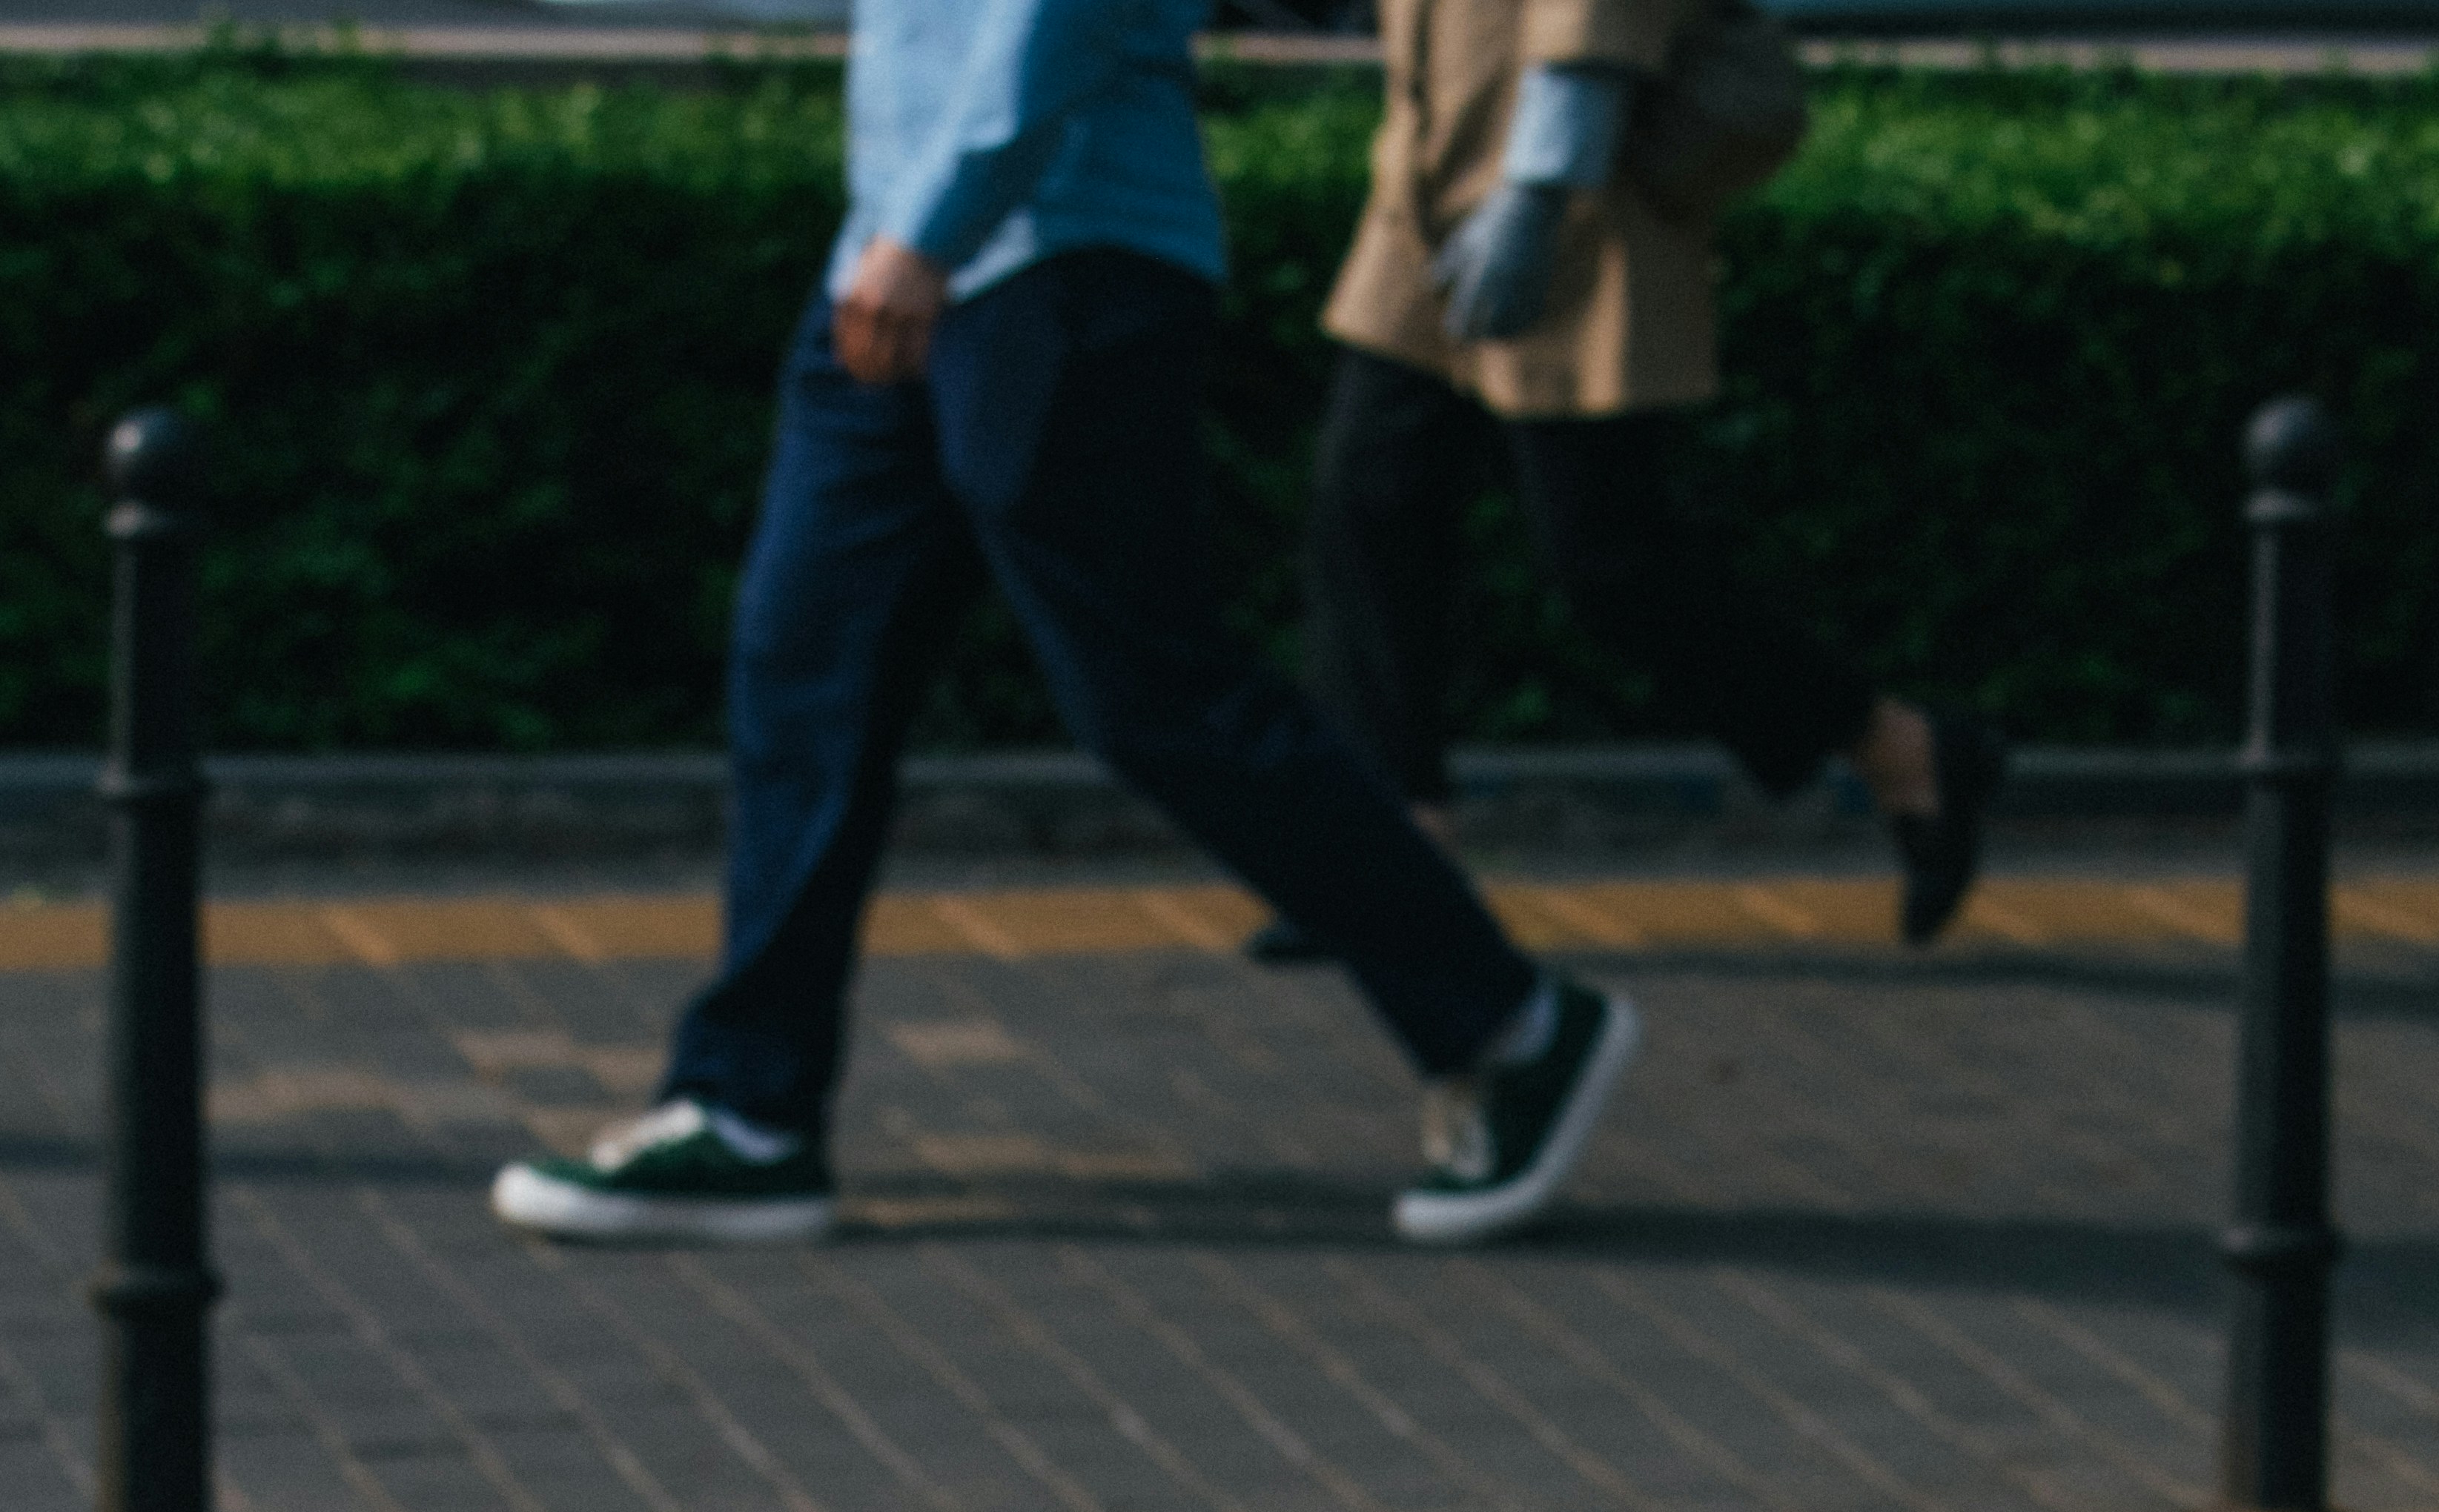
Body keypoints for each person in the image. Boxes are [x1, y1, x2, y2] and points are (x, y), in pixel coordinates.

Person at [489, 0, 1636, 1258]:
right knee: (803, 665)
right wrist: (903, 233)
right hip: (894, 259)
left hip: (1057, 254)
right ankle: (748, 1110)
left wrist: (932, 230)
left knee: (1151, 693)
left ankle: (1510, 1027)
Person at [1254, 0, 2002, 964]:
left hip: (1576, 197)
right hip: (1437, 179)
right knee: (1368, 505)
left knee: (1610, 561)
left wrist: (1537, 186)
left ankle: (1902, 751)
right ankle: (1392, 854)